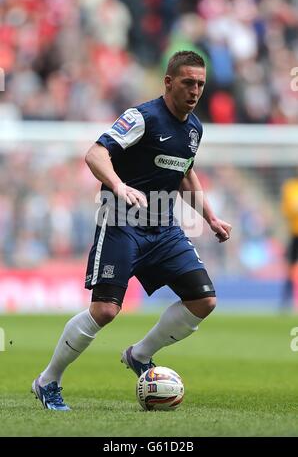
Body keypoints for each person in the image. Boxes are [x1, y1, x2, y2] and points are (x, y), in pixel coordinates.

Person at [31, 50, 232, 410]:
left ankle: (140, 355)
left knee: (204, 300)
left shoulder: (194, 129)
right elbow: (95, 154)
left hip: (164, 229)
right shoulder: (141, 117)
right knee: (105, 311)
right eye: (188, 82)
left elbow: (184, 172)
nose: (195, 90)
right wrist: (118, 185)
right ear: (169, 82)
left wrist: (210, 217)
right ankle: (48, 380)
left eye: (200, 84)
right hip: (121, 223)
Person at [280, 175, 298, 310]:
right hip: (295, 234)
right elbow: (288, 210)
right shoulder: (290, 187)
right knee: (290, 267)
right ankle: (286, 299)